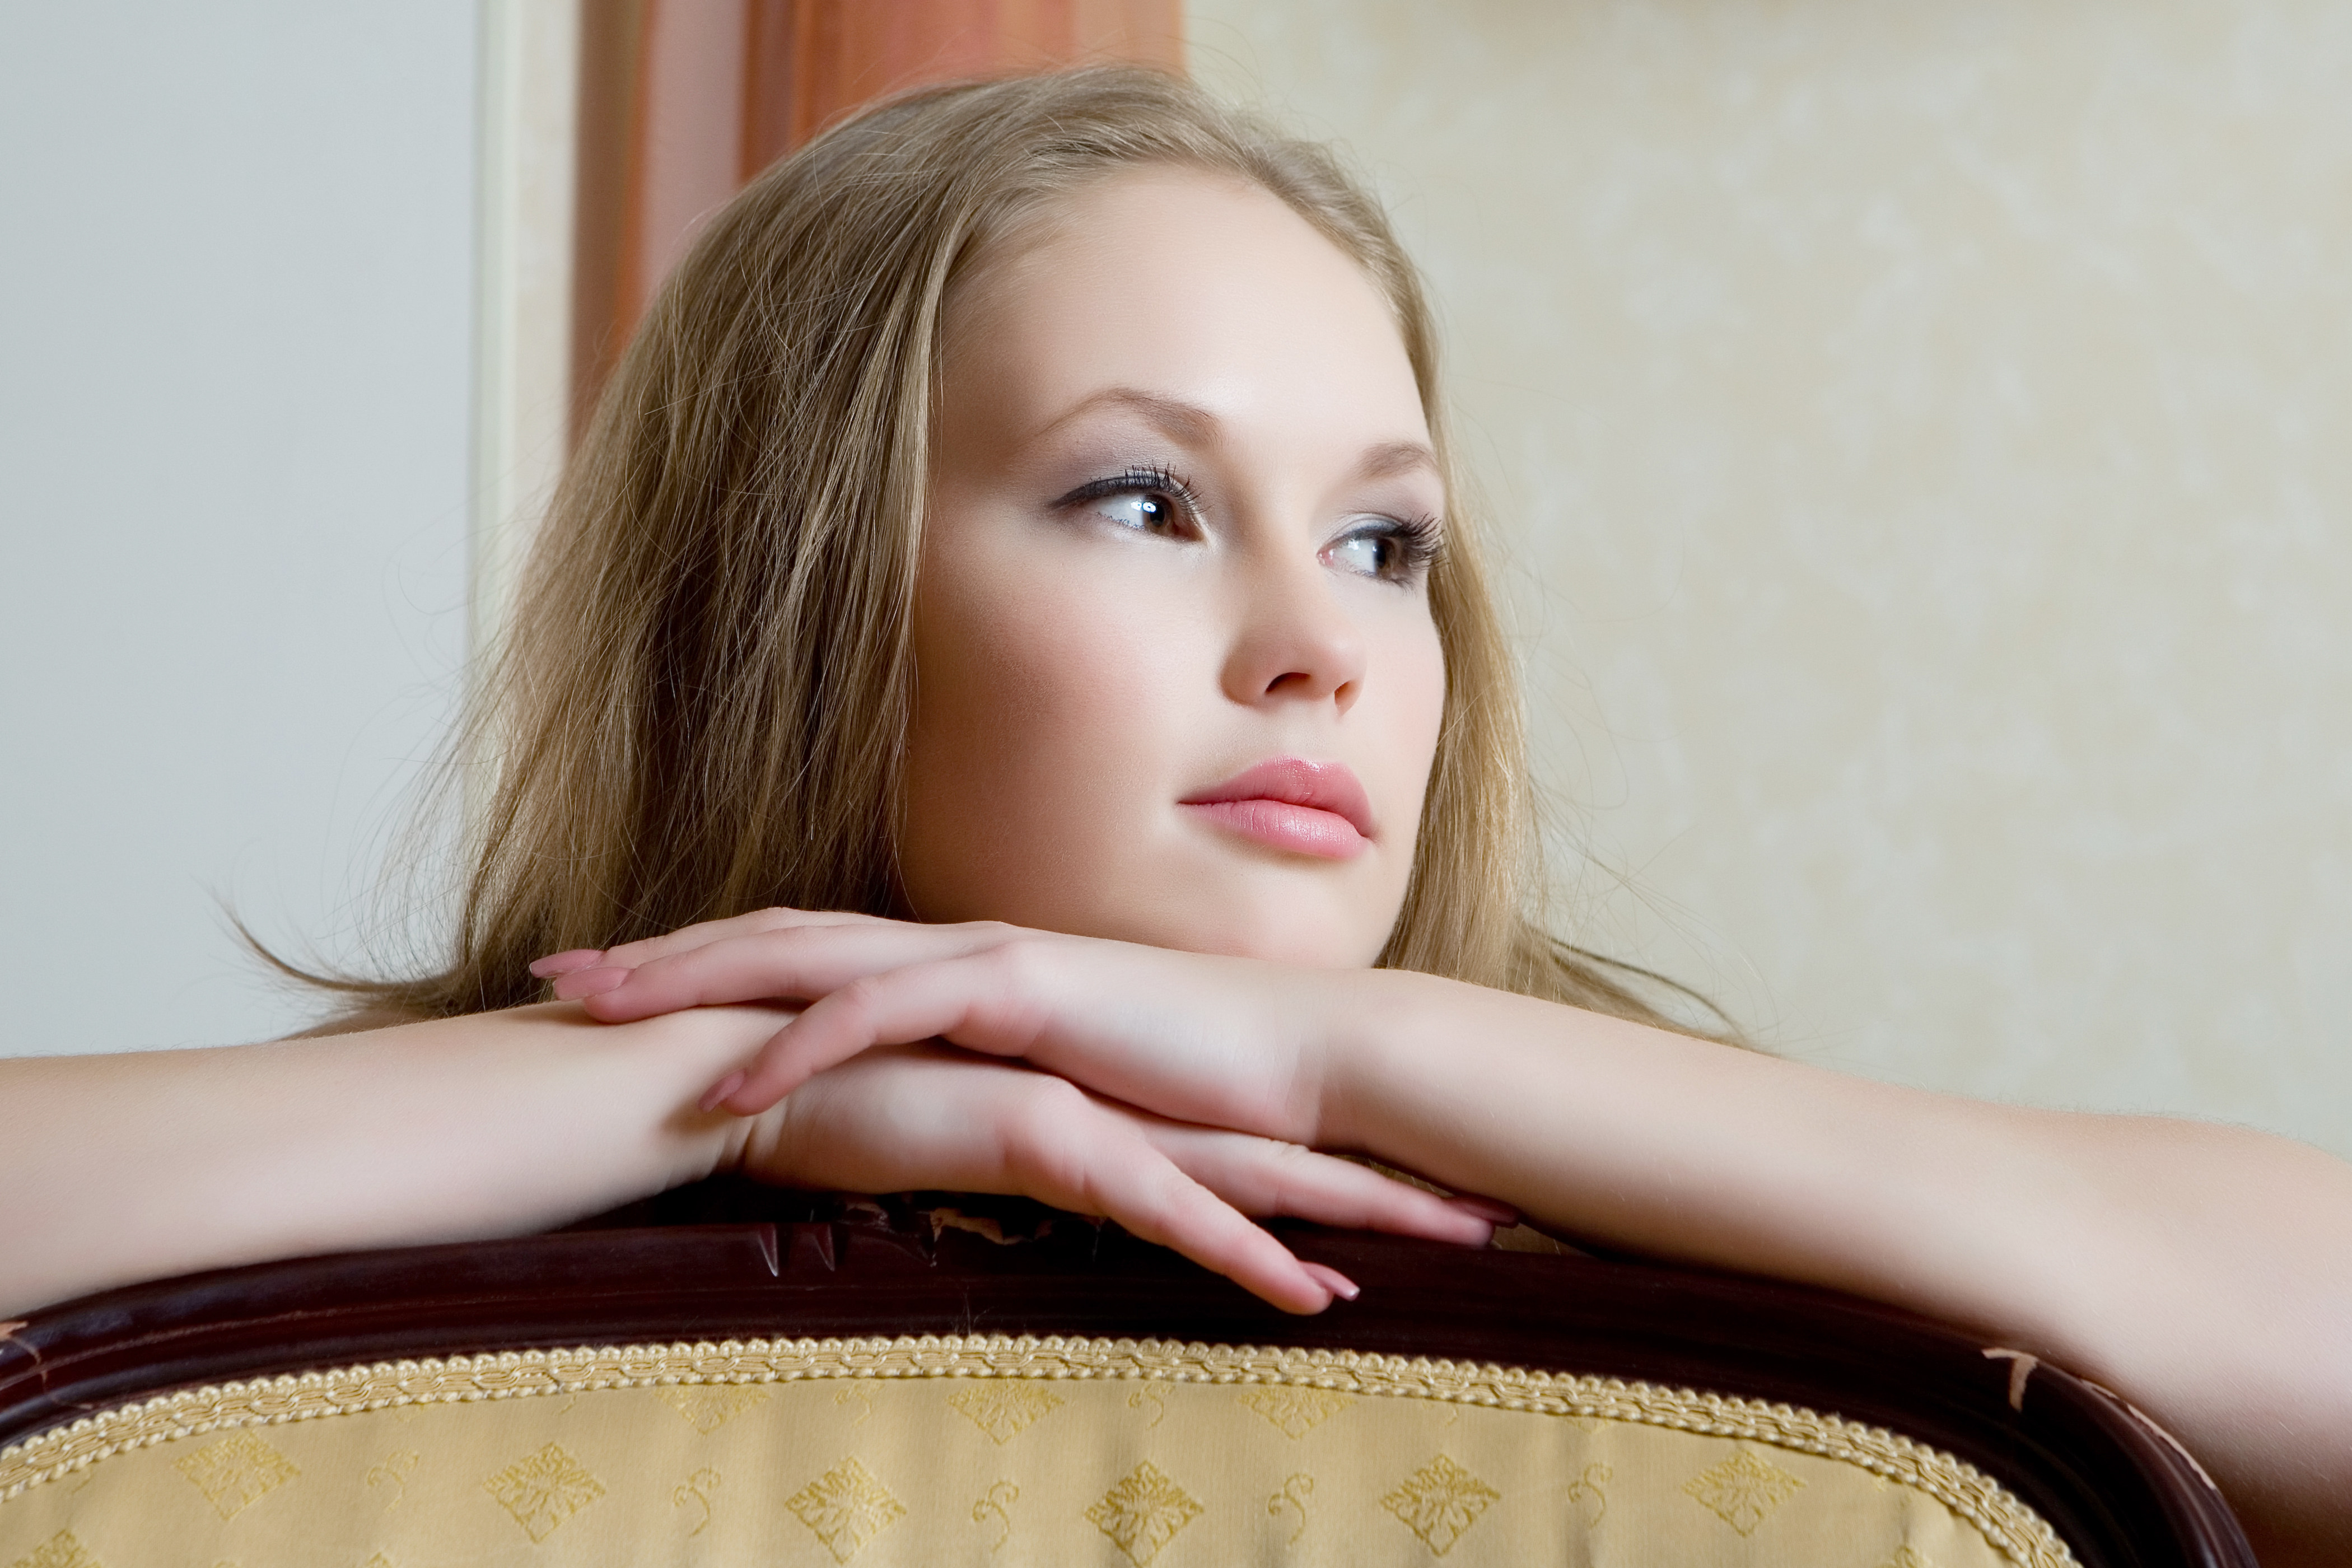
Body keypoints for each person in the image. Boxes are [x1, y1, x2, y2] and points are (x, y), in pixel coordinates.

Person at [2, 67, 2345, 1562]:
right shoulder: (418, 1242)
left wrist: (1357, 1053)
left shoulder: (1679, 1233)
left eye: (1386, 540)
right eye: (1143, 499)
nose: (1325, 645)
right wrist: (719, 1083)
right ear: (797, 595)